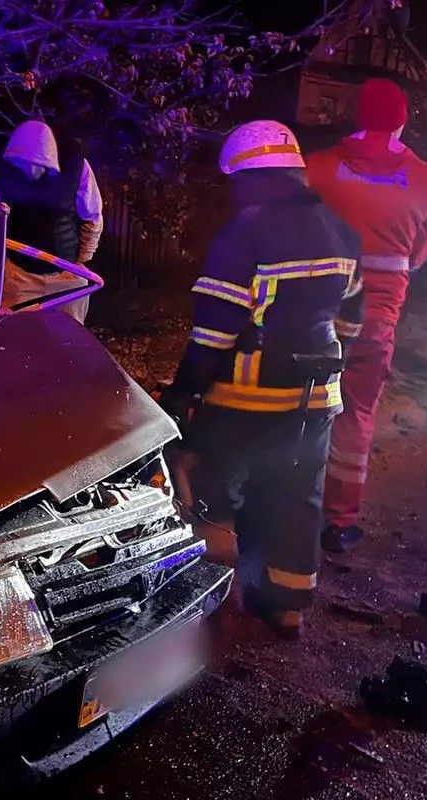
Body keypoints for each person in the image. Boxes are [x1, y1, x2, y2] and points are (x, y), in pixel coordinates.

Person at [162, 120, 362, 639]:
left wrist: (182, 392)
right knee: (298, 497)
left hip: (243, 399)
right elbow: (351, 318)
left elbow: (213, 333)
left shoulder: (245, 230)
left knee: (211, 492)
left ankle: (210, 611)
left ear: (248, 176)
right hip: (317, 399)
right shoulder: (342, 229)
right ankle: (288, 608)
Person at [306, 78, 427, 552]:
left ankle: (288, 505)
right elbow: (422, 253)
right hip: (376, 320)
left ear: (356, 115)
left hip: (312, 317)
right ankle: (339, 521)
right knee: (357, 413)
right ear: (403, 119)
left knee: (299, 409)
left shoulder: (319, 167)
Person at [0, 120, 103, 323]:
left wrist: (81, 260)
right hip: (17, 277)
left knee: (67, 340)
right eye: (22, 164)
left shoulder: (77, 169)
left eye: (35, 165)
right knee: (11, 334)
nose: (28, 171)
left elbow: (92, 217)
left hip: (66, 276)